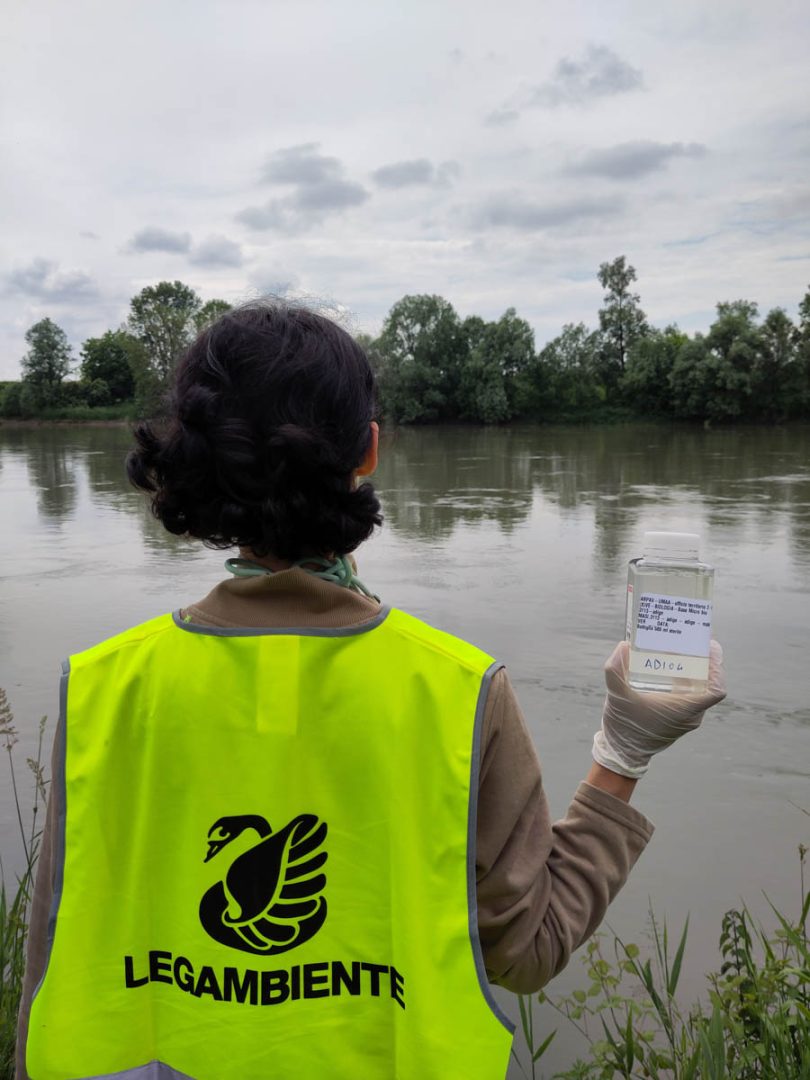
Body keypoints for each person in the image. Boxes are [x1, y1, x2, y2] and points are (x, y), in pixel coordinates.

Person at [18, 301, 725, 1080]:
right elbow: (527, 951)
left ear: (198, 458)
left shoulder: (102, 687)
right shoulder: (457, 691)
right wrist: (622, 753)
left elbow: (52, 955)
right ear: (371, 451)